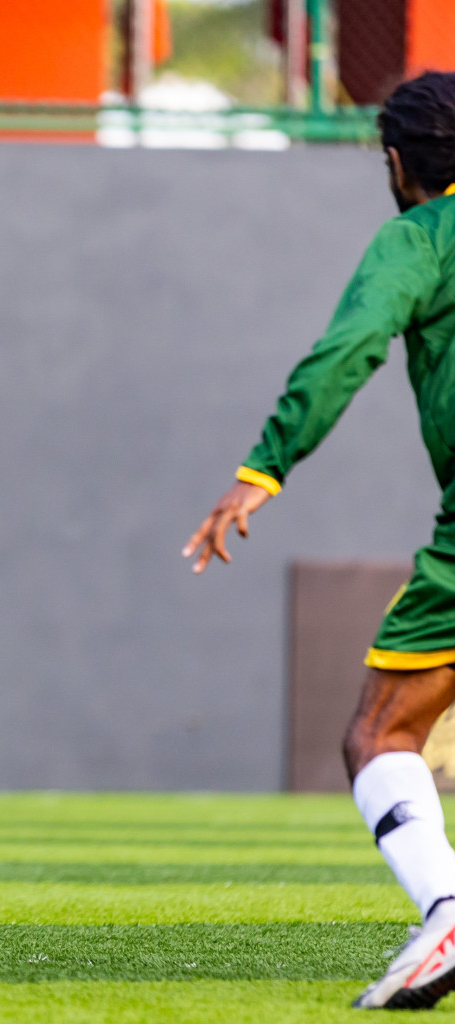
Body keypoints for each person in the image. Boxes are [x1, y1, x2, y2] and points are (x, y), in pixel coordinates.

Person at [185, 72, 455, 1010]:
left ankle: (447, 912)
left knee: (381, 734)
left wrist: (262, 469)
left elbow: (351, 347)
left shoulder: (419, 237)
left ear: (394, 159)